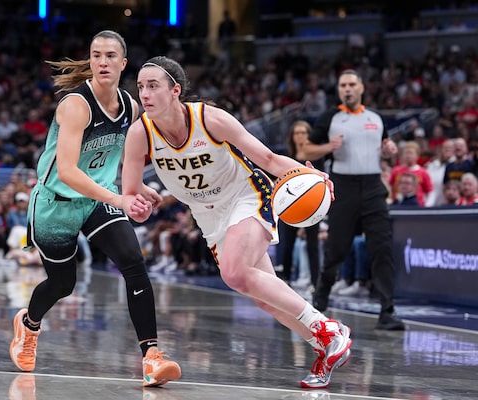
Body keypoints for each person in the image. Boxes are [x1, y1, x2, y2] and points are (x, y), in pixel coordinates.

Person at [121, 56, 352, 389]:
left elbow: (268, 158)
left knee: (234, 272)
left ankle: (328, 329)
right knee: (263, 296)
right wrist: (138, 205)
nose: (144, 93)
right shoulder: (139, 133)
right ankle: (324, 347)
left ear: (175, 90)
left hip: (246, 195)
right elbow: (130, 192)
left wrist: (309, 174)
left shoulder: (210, 119)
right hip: (207, 214)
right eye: (141, 86)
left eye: (153, 86)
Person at [8, 31, 181, 388]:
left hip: (98, 200)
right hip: (56, 204)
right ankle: (28, 324)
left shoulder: (130, 107)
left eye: (110, 56)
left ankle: (151, 356)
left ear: (123, 63)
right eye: (96, 55)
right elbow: (68, 171)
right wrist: (120, 199)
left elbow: (123, 155)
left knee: (133, 263)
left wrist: (137, 187)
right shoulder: (76, 105)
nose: (102, 62)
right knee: (63, 284)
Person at [300, 69, 405, 331]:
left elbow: (386, 147)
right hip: (344, 186)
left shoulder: (375, 118)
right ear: (339, 90)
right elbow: (306, 150)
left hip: (373, 186)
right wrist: (328, 147)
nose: (347, 89)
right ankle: (320, 301)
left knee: (382, 248)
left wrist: (390, 150)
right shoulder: (330, 117)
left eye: (351, 84)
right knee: (336, 249)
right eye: (343, 85)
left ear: (361, 88)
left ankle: (387, 311)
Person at [277, 120, 322, 290]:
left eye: (304, 132)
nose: (300, 136)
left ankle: (315, 282)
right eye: (297, 133)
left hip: (311, 206)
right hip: (290, 205)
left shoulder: (317, 158)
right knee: (288, 244)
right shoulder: (286, 157)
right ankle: (286, 279)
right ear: (292, 136)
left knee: (312, 245)